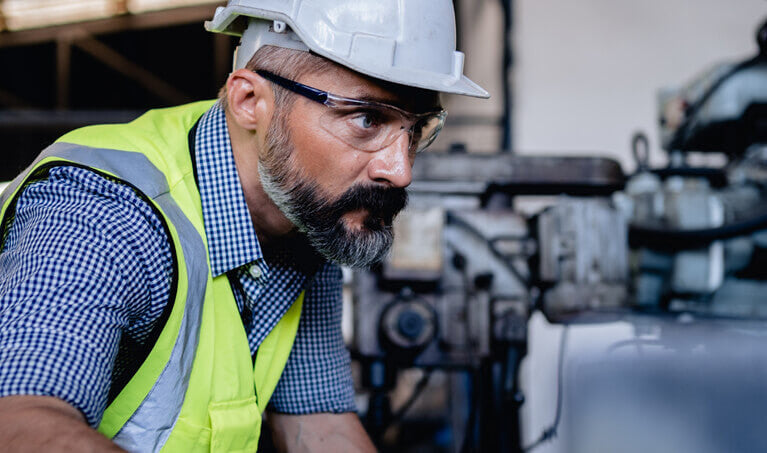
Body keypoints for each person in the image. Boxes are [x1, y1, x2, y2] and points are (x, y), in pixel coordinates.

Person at [0, 0, 488, 451]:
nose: (400, 170)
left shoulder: (304, 223)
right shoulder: (106, 214)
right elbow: (20, 425)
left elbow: (318, 426)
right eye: (365, 119)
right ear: (250, 100)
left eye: (416, 129)